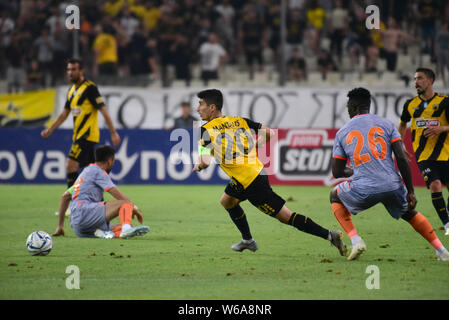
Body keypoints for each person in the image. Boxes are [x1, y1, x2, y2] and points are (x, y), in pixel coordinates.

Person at [192, 89, 347, 255]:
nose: (197, 108)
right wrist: (256, 145)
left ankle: (330, 235)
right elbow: (269, 133)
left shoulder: (205, 130)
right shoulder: (238, 121)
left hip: (251, 183)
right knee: (227, 201)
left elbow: (205, 162)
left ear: (212, 107)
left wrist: (199, 166)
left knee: (285, 216)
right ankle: (248, 240)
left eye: (201, 104)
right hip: (253, 173)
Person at [331, 87, 449, 261]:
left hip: (364, 188)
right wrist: (410, 191)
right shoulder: (386, 124)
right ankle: (441, 251)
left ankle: (356, 241)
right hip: (392, 185)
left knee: (334, 195)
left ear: (354, 106)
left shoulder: (342, 132)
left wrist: (355, 170)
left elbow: (337, 171)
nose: (347, 109)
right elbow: (401, 158)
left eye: (348, 105)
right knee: (409, 212)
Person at [41, 58, 121, 188]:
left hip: (87, 135)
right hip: (78, 136)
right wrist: (50, 130)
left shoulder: (90, 88)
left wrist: (113, 132)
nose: (70, 73)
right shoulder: (71, 91)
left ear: (81, 71)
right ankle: (97, 203)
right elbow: (64, 114)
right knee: (91, 172)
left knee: (70, 165)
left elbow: (103, 110)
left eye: (73, 69)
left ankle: (72, 205)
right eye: (68, 70)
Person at [52, 145, 149, 239]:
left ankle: (108, 234)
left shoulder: (85, 173)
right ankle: (125, 230)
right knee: (125, 203)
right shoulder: (99, 172)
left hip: (78, 227)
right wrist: (134, 209)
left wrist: (60, 226)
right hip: (86, 213)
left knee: (125, 225)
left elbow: (65, 196)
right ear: (110, 161)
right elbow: (121, 198)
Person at [398, 68, 449, 235]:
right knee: (435, 185)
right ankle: (447, 224)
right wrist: (400, 144)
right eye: (414, 79)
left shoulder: (444, 102)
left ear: (430, 80)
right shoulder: (410, 105)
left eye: (420, 78)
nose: (416, 82)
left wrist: (441, 128)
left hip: (445, 153)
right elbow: (403, 124)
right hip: (424, 155)